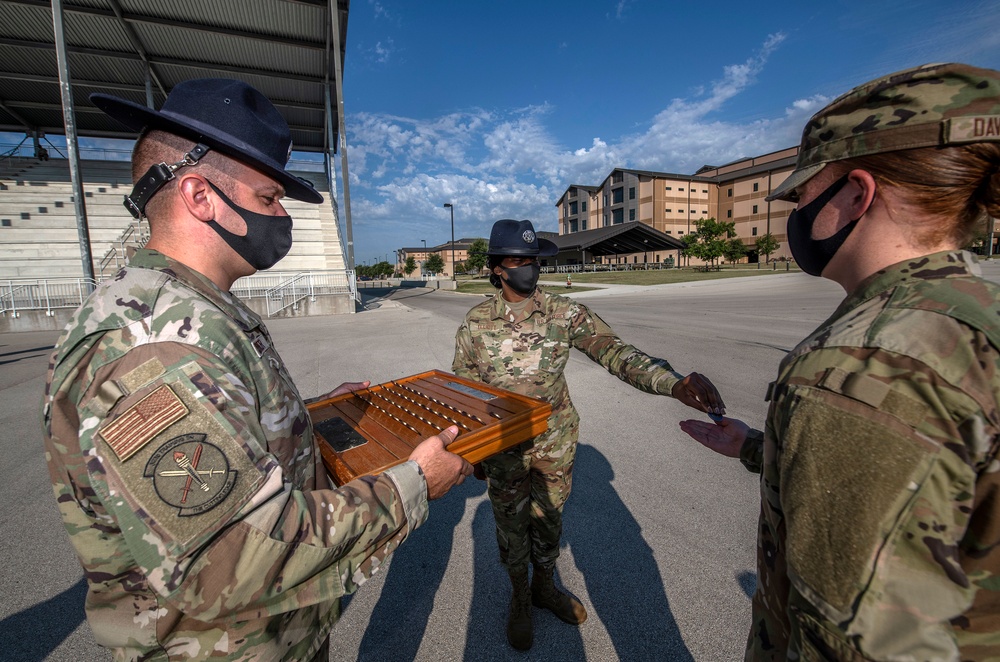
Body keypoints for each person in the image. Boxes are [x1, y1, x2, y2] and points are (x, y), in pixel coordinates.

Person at [41, 78, 472, 661]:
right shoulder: (153, 342)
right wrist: (414, 484)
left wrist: (309, 415)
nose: (280, 215)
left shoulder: (183, 307)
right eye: (269, 197)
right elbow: (229, 558)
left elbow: (223, 426)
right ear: (199, 196)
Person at [679, 62, 1000, 660]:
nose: (795, 214)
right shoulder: (976, 314)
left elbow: (855, 639)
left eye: (801, 195)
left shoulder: (858, 367)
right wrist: (757, 447)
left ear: (856, 193)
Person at [452, 219, 726, 650]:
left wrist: (672, 383)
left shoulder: (565, 313)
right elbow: (464, 385)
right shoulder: (475, 321)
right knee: (510, 528)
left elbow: (615, 352)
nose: (530, 268)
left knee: (548, 523)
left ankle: (544, 588)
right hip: (503, 448)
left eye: (535, 260)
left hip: (553, 442)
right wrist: (474, 452)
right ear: (498, 268)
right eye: (519, 261)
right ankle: (520, 597)